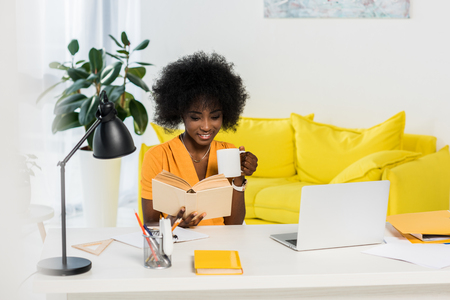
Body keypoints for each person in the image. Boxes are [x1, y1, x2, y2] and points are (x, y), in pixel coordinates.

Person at [141, 51, 258, 227]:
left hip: (220, 247)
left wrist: (238, 178)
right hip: (177, 246)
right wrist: (173, 224)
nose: (206, 126)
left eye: (215, 116)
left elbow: (234, 224)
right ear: (181, 115)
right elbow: (150, 223)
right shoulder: (157, 157)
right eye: (196, 118)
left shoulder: (228, 152)